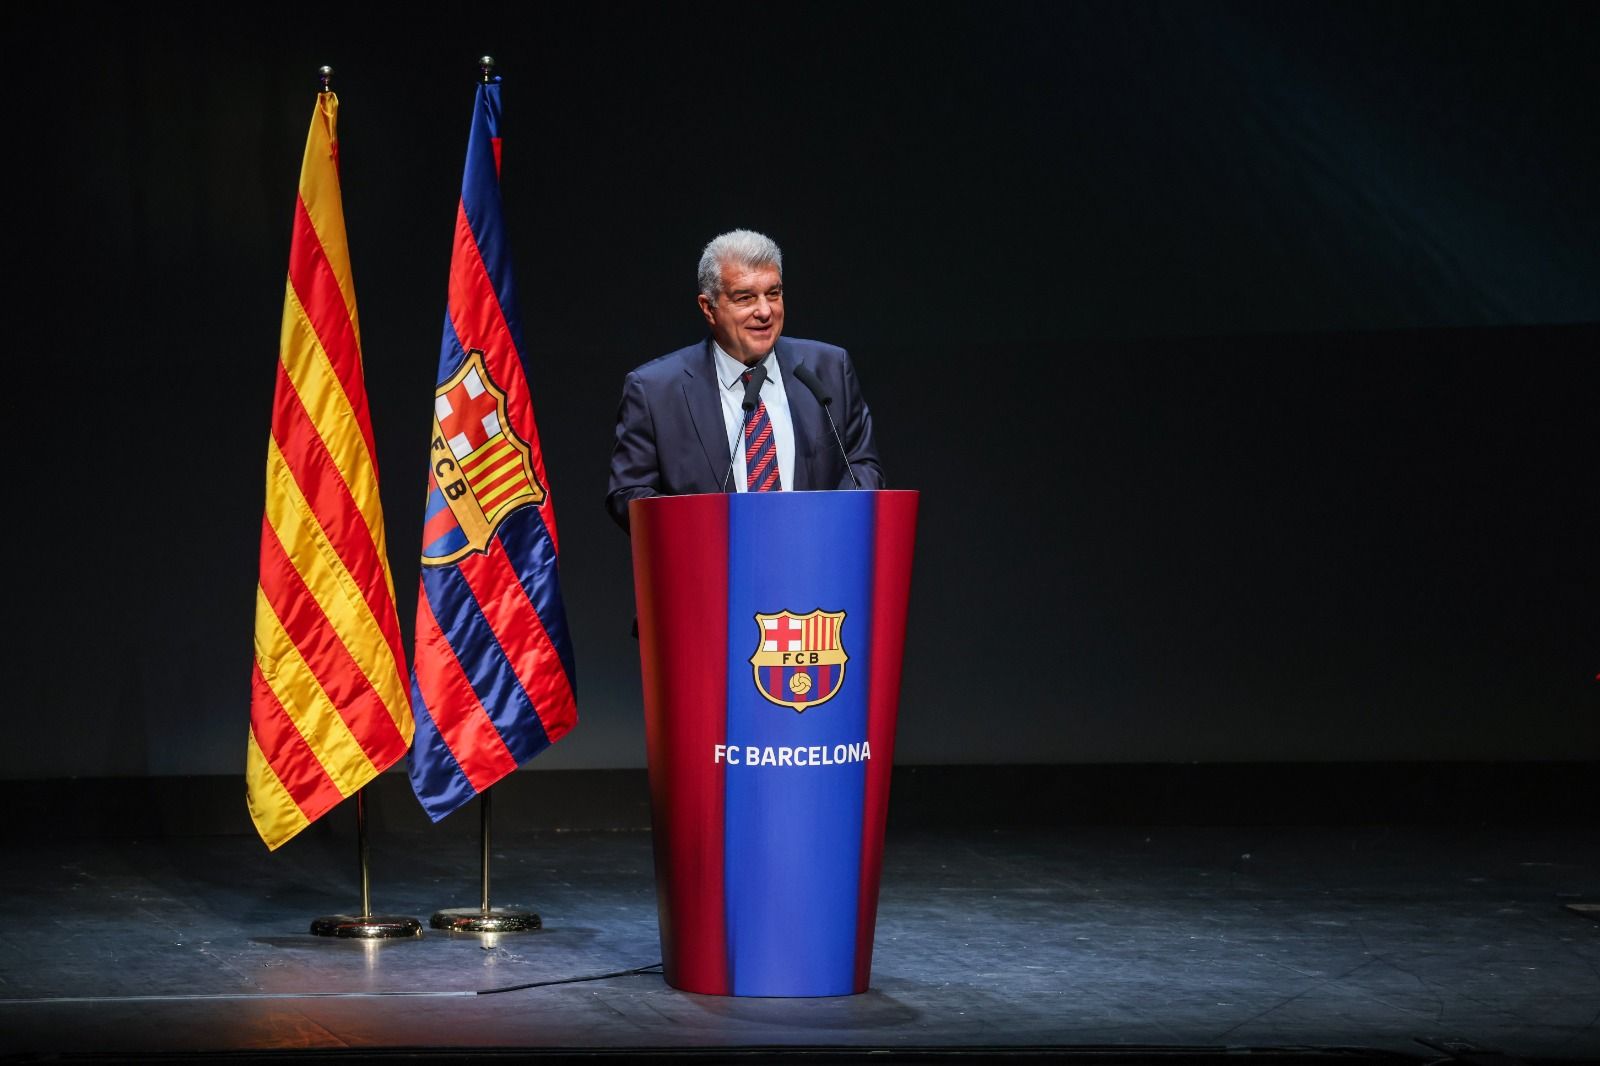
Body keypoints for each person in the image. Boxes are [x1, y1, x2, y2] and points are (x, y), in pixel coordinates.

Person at [605, 229, 884, 531]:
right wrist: (710, 535)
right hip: (708, 570)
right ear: (708, 308)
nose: (764, 311)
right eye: (745, 298)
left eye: (773, 294)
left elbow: (861, 466)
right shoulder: (655, 391)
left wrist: (820, 526)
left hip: (813, 564)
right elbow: (629, 495)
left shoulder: (828, 370)